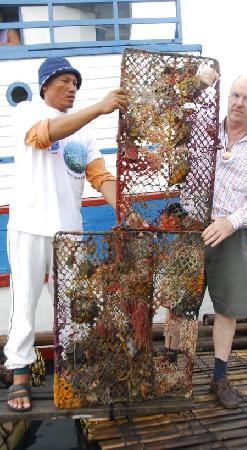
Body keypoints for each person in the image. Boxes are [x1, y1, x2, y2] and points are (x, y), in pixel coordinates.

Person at [4, 56, 142, 412]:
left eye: (76, 84)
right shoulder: (27, 112)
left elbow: (99, 176)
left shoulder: (85, 132)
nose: (71, 88)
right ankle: (19, 374)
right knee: (25, 303)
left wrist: (123, 208)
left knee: (73, 306)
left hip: (70, 233)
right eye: (64, 81)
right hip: (29, 228)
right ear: (45, 85)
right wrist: (99, 107)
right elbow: (44, 135)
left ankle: (74, 368)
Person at [199, 75, 247, 408]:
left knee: (227, 311)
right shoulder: (202, 131)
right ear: (225, 95)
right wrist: (198, 84)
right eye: (234, 95)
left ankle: (219, 377)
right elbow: (174, 115)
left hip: (229, 233)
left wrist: (231, 222)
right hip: (188, 228)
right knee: (178, 309)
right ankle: (171, 369)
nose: (238, 103)